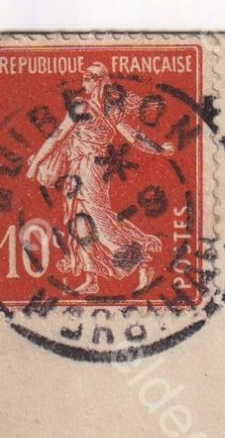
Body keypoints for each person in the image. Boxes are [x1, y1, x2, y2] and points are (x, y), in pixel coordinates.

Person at [25, 63, 176, 295]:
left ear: (99, 81)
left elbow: (133, 137)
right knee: (79, 224)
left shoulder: (102, 110)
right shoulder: (89, 108)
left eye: (88, 78)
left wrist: (159, 150)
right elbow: (58, 137)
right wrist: (36, 164)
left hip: (92, 170)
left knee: (100, 222)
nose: (84, 82)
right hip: (78, 170)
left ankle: (143, 262)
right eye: (85, 77)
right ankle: (92, 277)